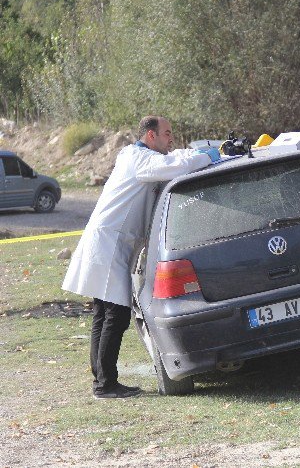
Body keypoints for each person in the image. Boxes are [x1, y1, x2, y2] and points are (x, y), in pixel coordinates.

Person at [62, 116, 220, 399]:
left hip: (111, 242)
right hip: (110, 244)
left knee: (104, 313)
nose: (171, 139)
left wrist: (193, 154)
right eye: (167, 133)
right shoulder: (140, 159)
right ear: (151, 135)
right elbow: (175, 165)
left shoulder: (140, 157)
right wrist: (203, 157)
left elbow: (174, 159)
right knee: (115, 315)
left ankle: (102, 381)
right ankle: (105, 384)